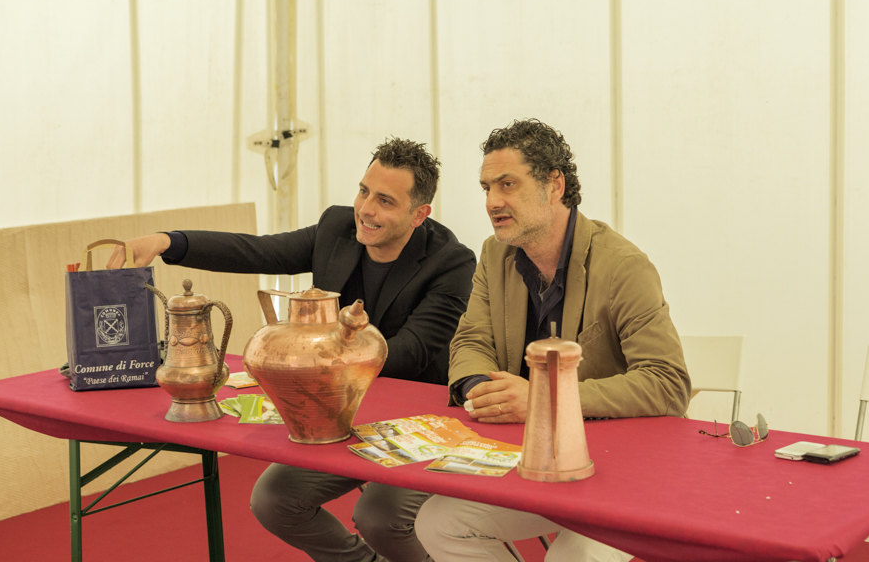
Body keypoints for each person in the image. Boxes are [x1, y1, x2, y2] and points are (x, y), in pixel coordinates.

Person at [108, 137, 476, 562]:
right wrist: (168, 241)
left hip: (415, 421)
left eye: (385, 201)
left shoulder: (452, 262)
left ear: (419, 214)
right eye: (363, 191)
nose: (365, 209)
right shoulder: (337, 227)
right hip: (338, 411)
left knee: (378, 517)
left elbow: (411, 353)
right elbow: (258, 251)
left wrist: (307, 360)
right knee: (273, 501)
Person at [414, 119, 691, 562]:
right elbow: (470, 340)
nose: (492, 201)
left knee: (569, 558)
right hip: (530, 457)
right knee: (436, 522)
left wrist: (544, 401)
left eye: (507, 184)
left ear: (555, 185)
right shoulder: (494, 253)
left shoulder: (624, 266)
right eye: (486, 187)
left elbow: (668, 383)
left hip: (624, 469)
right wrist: (484, 391)